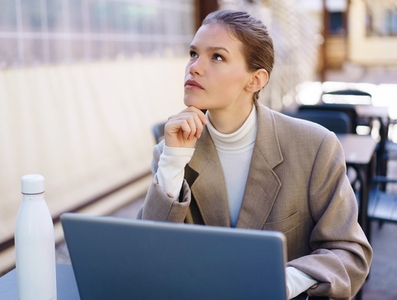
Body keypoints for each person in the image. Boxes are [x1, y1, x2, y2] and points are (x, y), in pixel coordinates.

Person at [137, 9, 372, 300]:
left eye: (217, 57)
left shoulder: (314, 146)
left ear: (256, 80)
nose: (194, 67)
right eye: (193, 53)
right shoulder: (171, 149)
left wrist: (283, 280)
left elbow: (350, 253)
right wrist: (173, 162)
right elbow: (148, 257)